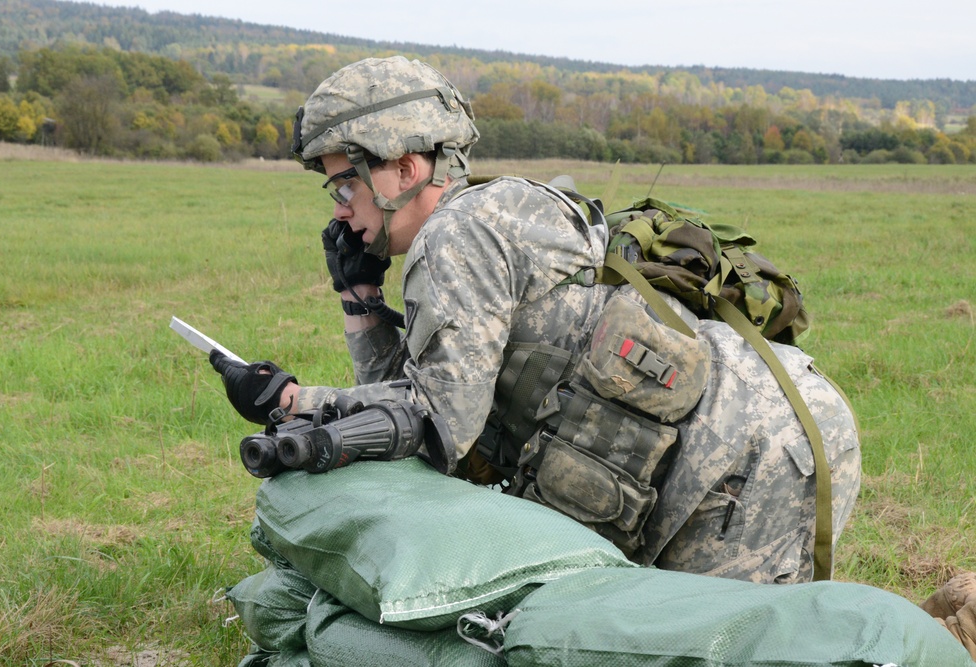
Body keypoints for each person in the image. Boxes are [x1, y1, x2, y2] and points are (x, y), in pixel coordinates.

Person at [210, 55, 862, 585]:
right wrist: (360, 300)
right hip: (752, 445)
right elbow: (430, 402)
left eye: (343, 187)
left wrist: (295, 402)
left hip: (740, 461)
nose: (341, 212)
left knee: (731, 649)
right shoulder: (480, 219)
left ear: (404, 168)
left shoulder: (459, 235)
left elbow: (441, 425)